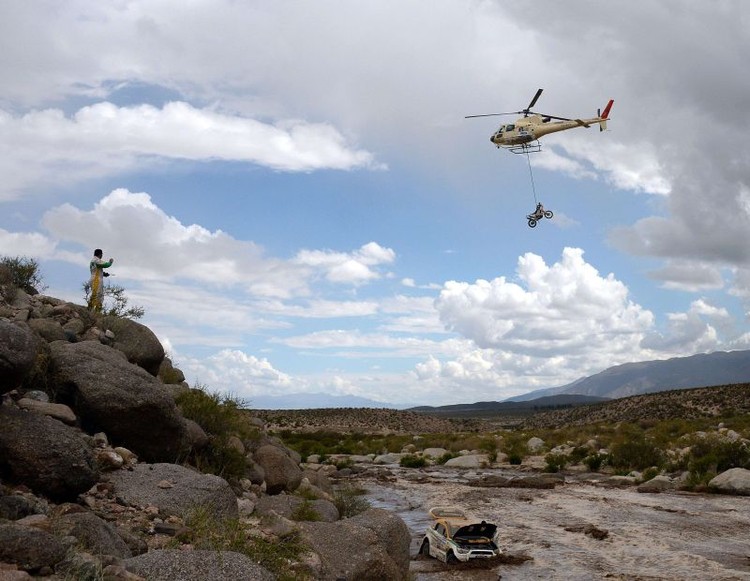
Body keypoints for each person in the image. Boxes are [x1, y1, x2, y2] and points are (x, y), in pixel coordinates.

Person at [88, 248, 113, 313]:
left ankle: (97, 312)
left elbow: (96, 270)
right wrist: (110, 262)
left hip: (96, 278)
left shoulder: (93, 260)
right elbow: (106, 265)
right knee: (96, 295)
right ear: (100, 254)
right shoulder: (96, 260)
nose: (102, 256)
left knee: (100, 297)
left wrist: (103, 274)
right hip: (96, 280)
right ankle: (90, 311)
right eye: (102, 254)